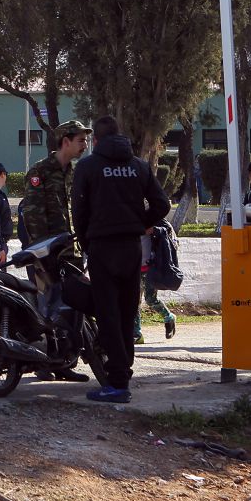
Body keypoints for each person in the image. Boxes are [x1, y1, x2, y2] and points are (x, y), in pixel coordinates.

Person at [71, 116, 170, 404]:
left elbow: (79, 211)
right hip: (131, 247)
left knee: (108, 315)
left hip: (103, 248)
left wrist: (86, 242)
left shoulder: (88, 167)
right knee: (128, 314)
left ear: (97, 141)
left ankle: (116, 384)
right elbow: (162, 204)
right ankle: (123, 375)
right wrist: (141, 223)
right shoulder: (138, 166)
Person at [19, 120, 92, 251]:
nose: (85, 146)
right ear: (66, 142)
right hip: (51, 254)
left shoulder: (76, 172)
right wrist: (45, 252)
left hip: (74, 252)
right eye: (81, 140)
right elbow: (33, 216)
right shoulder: (40, 171)